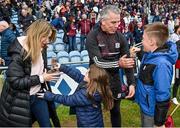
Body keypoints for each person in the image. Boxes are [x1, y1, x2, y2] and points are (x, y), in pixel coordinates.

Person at [0, 19, 60, 127]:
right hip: (20, 100)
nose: (47, 41)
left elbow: (38, 70)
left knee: (47, 125)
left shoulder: (43, 47)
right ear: (36, 34)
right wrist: (41, 78)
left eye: (49, 37)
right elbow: (15, 82)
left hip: (38, 95)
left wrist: (49, 72)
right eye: (45, 37)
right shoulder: (19, 52)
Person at [86, 5, 136, 127]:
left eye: (118, 21)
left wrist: (131, 83)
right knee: (94, 113)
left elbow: (128, 62)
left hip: (114, 79)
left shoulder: (121, 37)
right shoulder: (92, 36)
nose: (117, 25)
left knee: (116, 111)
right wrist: (118, 63)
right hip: (97, 80)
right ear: (102, 21)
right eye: (113, 22)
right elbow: (98, 62)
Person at [37, 64, 114, 127]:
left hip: (87, 125)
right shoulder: (95, 86)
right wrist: (62, 67)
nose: (85, 73)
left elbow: (67, 100)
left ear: (92, 79)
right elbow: (77, 75)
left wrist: (49, 95)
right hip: (95, 123)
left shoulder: (86, 94)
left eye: (87, 73)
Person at [135, 22, 178, 127]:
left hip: (152, 112)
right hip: (146, 106)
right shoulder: (151, 54)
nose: (141, 41)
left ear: (151, 42)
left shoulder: (161, 64)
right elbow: (148, 66)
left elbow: (163, 95)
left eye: (143, 38)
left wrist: (158, 123)